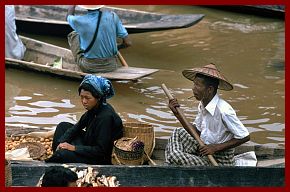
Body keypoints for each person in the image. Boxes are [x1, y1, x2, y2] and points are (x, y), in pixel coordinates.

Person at [165, 63, 250, 166]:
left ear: (209, 89)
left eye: (197, 85)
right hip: (204, 149)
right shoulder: (202, 104)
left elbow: (245, 136)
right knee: (178, 132)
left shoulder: (224, 110)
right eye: (194, 84)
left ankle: (173, 160)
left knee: (174, 156)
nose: (193, 88)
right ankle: (179, 158)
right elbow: (196, 132)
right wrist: (177, 114)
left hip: (219, 161)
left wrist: (215, 148)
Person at [46, 74, 123, 164]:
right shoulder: (93, 108)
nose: (84, 101)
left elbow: (101, 151)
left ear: (98, 98)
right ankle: (57, 152)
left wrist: (74, 148)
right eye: (82, 97)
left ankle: (59, 156)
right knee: (63, 126)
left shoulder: (105, 117)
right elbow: (77, 127)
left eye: (87, 98)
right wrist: (62, 142)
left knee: (63, 155)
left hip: (99, 157)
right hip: (89, 143)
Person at [66, 5, 131, 73]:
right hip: (112, 66)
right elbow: (128, 43)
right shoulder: (113, 16)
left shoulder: (78, 21)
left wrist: (72, 5)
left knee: (74, 34)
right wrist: (117, 47)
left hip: (89, 67)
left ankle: (81, 56)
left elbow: (68, 17)